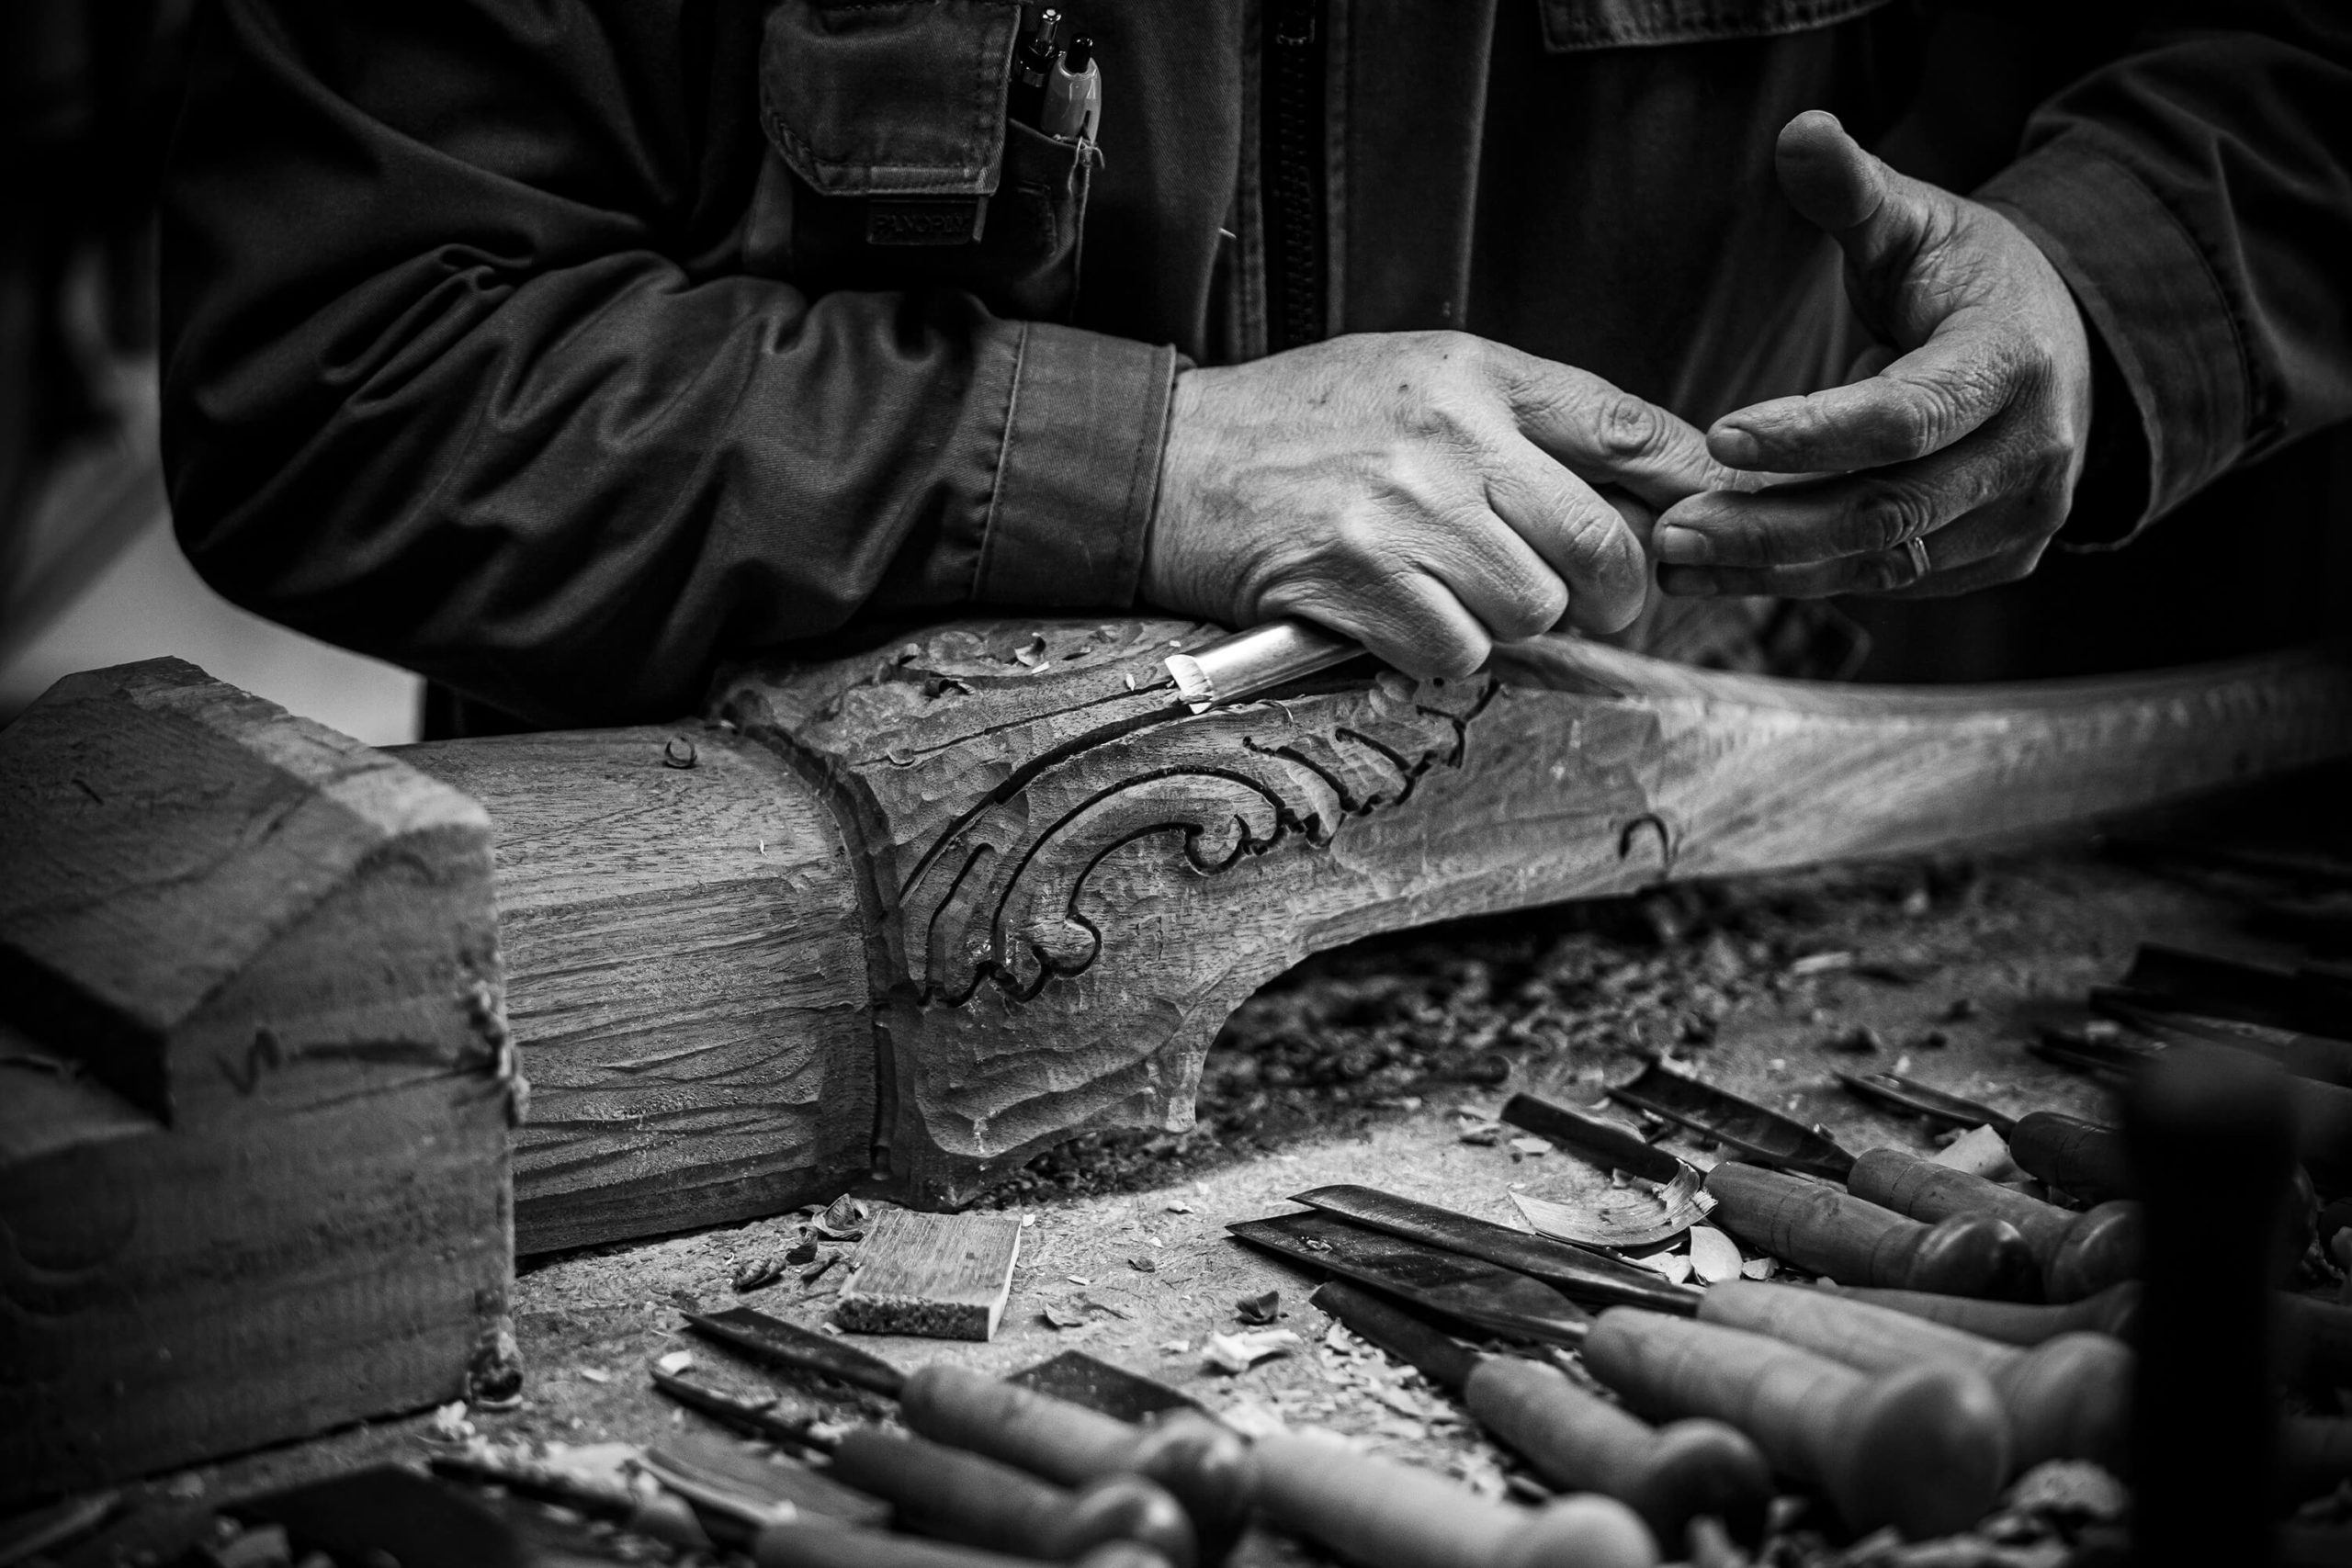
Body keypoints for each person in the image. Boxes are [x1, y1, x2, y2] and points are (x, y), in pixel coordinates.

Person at [161, 2, 2351, 727]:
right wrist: (1152, 460)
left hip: (1693, 875)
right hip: (789, 1006)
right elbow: (344, 361)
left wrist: (2089, 285)